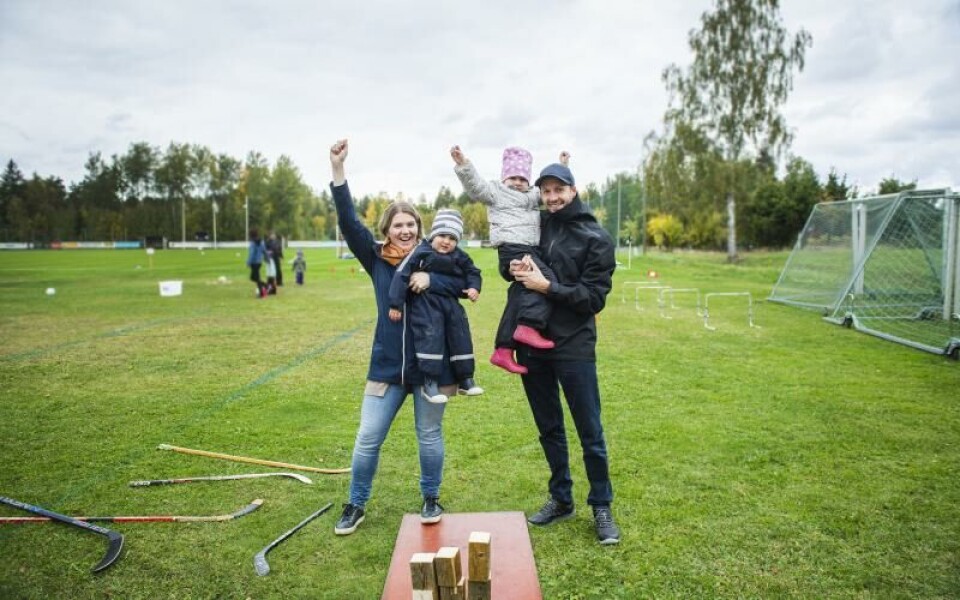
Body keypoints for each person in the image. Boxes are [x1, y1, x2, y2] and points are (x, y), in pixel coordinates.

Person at [328, 139, 467, 536]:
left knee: (429, 435)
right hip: (386, 367)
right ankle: (355, 504)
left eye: (411, 225)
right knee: (368, 438)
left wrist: (433, 278)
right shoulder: (374, 258)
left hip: (431, 368)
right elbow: (349, 221)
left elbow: (465, 281)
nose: (405, 230)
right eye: (398, 225)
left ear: (419, 230)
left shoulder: (438, 259)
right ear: (387, 230)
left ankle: (431, 497)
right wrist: (338, 171)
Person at [509, 161, 621, 545]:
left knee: (589, 430)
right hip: (533, 343)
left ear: (573, 190)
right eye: (547, 190)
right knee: (549, 427)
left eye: (559, 190)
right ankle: (561, 498)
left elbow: (593, 299)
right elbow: (512, 264)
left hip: (573, 345)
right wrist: (516, 268)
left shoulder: (597, 238)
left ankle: (602, 505)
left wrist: (546, 288)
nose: (552, 198)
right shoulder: (538, 225)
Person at [451, 146, 569, 375]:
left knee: (521, 290)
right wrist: (463, 164)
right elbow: (476, 187)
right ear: (505, 177)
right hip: (512, 247)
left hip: (528, 248)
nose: (517, 182)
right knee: (547, 280)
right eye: (513, 177)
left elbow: (552, 191)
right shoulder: (496, 193)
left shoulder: (533, 196)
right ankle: (528, 326)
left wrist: (562, 166)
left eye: (522, 179)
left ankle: (503, 350)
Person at [388, 208, 484, 403]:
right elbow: (402, 274)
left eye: (452, 237)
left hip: (452, 306)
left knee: (461, 336)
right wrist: (395, 304)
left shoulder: (460, 256)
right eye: (442, 235)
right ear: (433, 235)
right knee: (431, 338)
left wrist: (474, 288)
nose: (446, 241)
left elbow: (473, 272)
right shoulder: (421, 252)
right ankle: (430, 383)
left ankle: (466, 379)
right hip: (426, 306)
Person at [245, 229, 268, 298]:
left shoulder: (252, 243)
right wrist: (267, 258)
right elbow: (264, 251)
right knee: (254, 277)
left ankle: (262, 292)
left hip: (254, 263)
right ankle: (265, 286)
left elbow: (251, 254)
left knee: (255, 278)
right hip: (259, 262)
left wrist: (248, 262)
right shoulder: (262, 242)